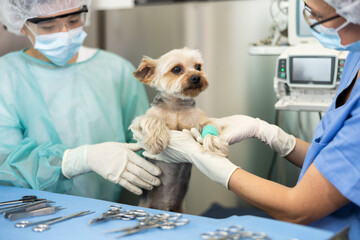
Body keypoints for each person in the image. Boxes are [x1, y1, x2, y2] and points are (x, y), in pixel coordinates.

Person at [138, 0, 360, 238]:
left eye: (320, 16)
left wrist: (217, 164)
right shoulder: (353, 57)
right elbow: (340, 163)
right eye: (309, 13)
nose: (314, 24)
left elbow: (299, 209)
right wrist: (271, 134)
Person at [0, 0, 162, 202]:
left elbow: (144, 146)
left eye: (74, 20)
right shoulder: (6, 75)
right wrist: (74, 161)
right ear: (22, 25)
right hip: (31, 215)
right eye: (48, 26)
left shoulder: (115, 70)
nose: (65, 32)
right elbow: (5, 163)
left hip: (109, 212)